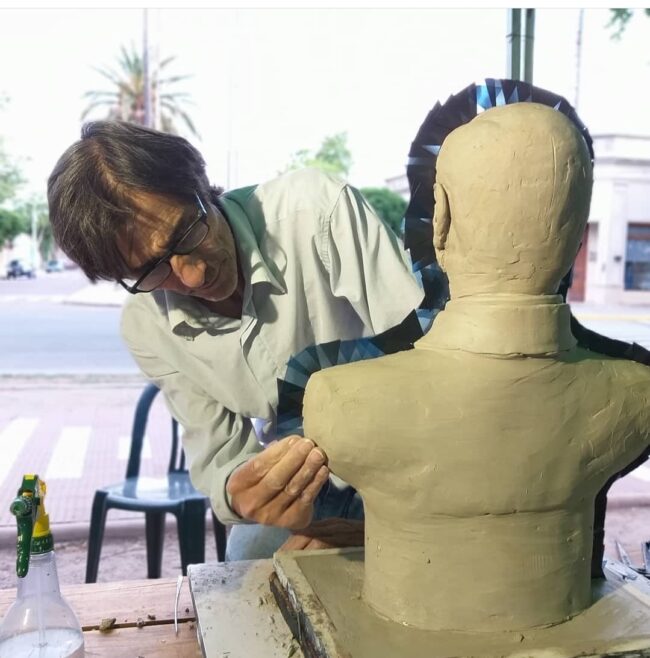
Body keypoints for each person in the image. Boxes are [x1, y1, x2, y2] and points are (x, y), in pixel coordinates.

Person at [47, 121, 425, 560]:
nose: (193, 276)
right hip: (312, 487)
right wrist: (244, 492)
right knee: (245, 564)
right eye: (151, 271)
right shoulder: (147, 326)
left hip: (413, 460)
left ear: (202, 188)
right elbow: (222, 457)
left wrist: (381, 528)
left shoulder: (316, 213)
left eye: (186, 233)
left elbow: (432, 362)